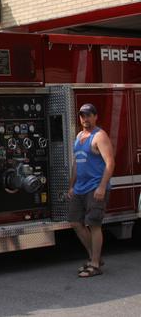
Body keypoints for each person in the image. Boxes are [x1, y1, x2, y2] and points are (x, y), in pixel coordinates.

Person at [68, 103, 115, 278]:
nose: (85, 119)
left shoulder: (100, 136)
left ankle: (95, 264)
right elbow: (76, 163)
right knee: (75, 222)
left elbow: (110, 163)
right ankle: (94, 257)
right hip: (79, 189)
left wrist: (102, 186)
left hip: (95, 188)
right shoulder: (79, 136)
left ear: (95, 117)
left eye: (88, 115)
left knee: (94, 224)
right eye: (82, 116)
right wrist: (71, 185)